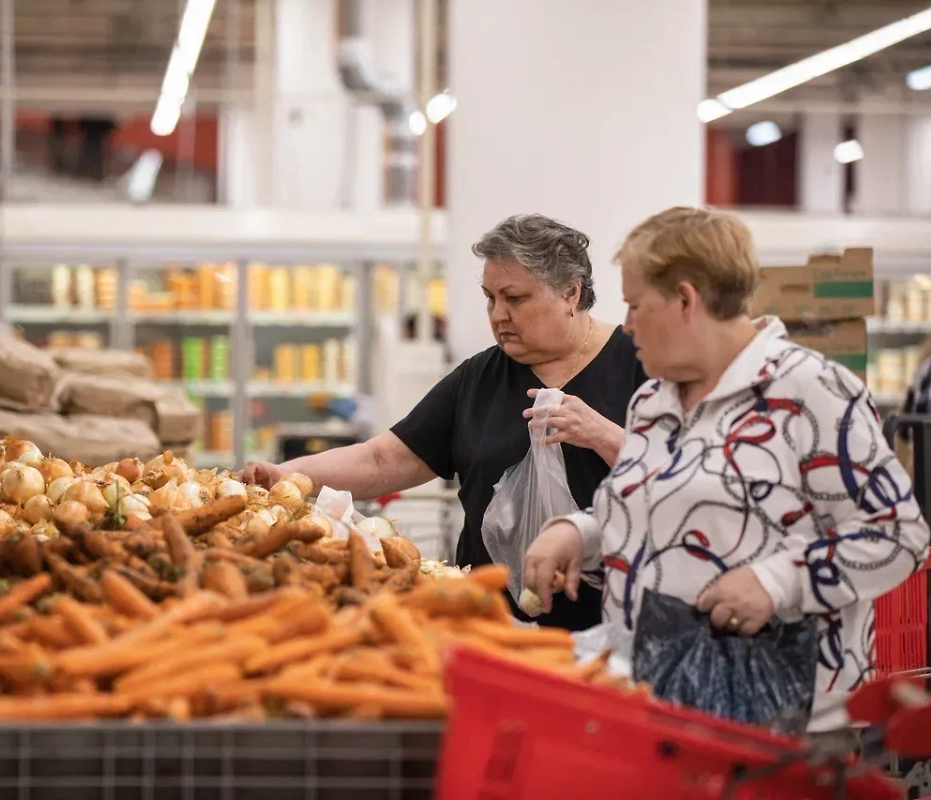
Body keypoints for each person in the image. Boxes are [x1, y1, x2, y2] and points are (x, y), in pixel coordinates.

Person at [523, 206, 930, 734]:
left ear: (686, 301)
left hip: (778, 725)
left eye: (636, 305)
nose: (625, 325)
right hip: (656, 705)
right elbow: (658, 513)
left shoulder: (810, 391)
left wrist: (775, 581)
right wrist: (578, 532)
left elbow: (898, 534)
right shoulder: (654, 399)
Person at [240, 213, 648, 630]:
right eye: (491, 298)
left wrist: (606, 436)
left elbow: (673, 478)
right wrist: (285, 476)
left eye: (515, 298)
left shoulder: (641, 369)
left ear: (570, 293)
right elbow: (383, 459)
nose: (499, 315)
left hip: (615, 625)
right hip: (486, 621)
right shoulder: (478, 378)